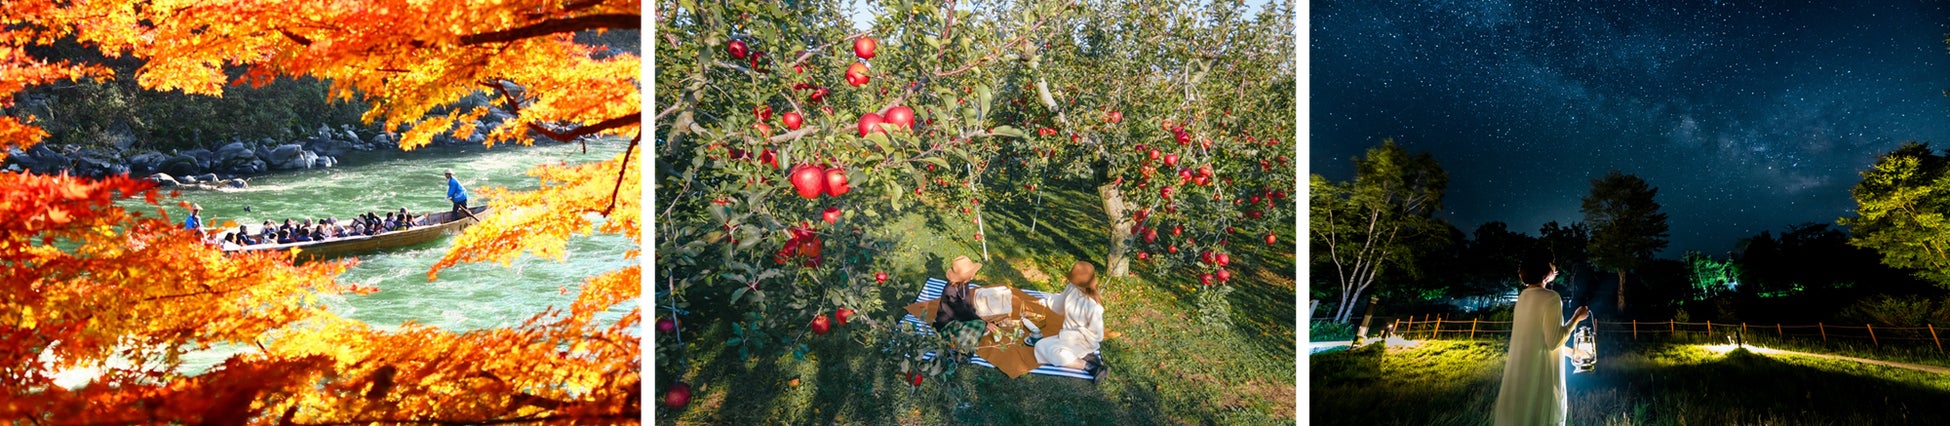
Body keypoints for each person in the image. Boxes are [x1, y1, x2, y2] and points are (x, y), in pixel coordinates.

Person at [1493, 247, 1591, 426]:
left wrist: (1572, 352)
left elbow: (1539, 339)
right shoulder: (1551, 298)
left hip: (1521, 377)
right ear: (1546, 268)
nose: (1555, 267)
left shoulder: (1523, 297)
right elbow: (1553, 341)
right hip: (1541, 377)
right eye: (1552, 263)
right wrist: (1576, 318)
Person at [1034, 261, 1109, 383]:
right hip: (1066, 336)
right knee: (1040, 345)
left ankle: (1091, 367)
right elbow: (1059, 302)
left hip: (1083, 341)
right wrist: (1045, 302)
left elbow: (1097, 335)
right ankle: (1087, 358)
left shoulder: (1094, 307)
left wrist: (1080, 332)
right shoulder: (1072, 287)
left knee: (1056, 353)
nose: (1073, 283)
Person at [931, 255, 985, 331]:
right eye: (970, 274)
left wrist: (973, 312)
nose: (972, 276)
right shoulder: (950, 291)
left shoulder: (963, 283)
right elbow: (961, 311)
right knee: (978, 328)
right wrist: (981, 321)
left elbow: (966, 301)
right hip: (948, 323)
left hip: (960, 315)